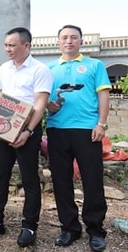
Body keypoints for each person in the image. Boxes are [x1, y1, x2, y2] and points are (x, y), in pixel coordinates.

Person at [0, 27, 53, 248]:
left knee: (29, 180)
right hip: (4, 130)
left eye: (12, 45)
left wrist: (28, 132)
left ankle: (29, 226)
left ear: (26, 46)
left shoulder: (39, 70)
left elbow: (40, 103)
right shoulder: (5, 69)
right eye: (6, 45)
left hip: (28, 131)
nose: (7, 49)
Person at [46, 25, 110, 252]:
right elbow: (44, 100)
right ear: (58, 41)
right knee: (61, 181)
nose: (69, 41)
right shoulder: (49, 68)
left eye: (73, 37)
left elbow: (103, 95)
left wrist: (101, 124)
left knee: (92, 180)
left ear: (81, 41)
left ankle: (95, 230)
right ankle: (69, 228)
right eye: (64, 37)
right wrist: (49, 108)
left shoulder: (95, 65)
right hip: (57, 130)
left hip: (87, 130)